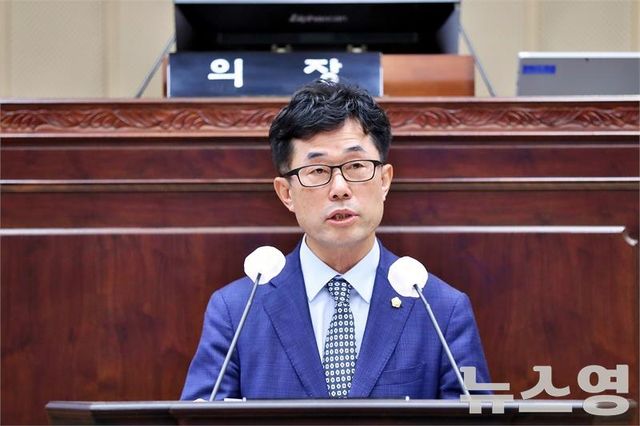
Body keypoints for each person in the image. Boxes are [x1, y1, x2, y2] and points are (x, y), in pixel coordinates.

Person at [181, 80, 490, 400]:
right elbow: (200, 417)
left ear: (384, 181)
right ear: (286, 193)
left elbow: (476, 416)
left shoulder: (442, 309)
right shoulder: (235, 310)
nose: (340, 188)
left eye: (356, 166)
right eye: (317, 170)